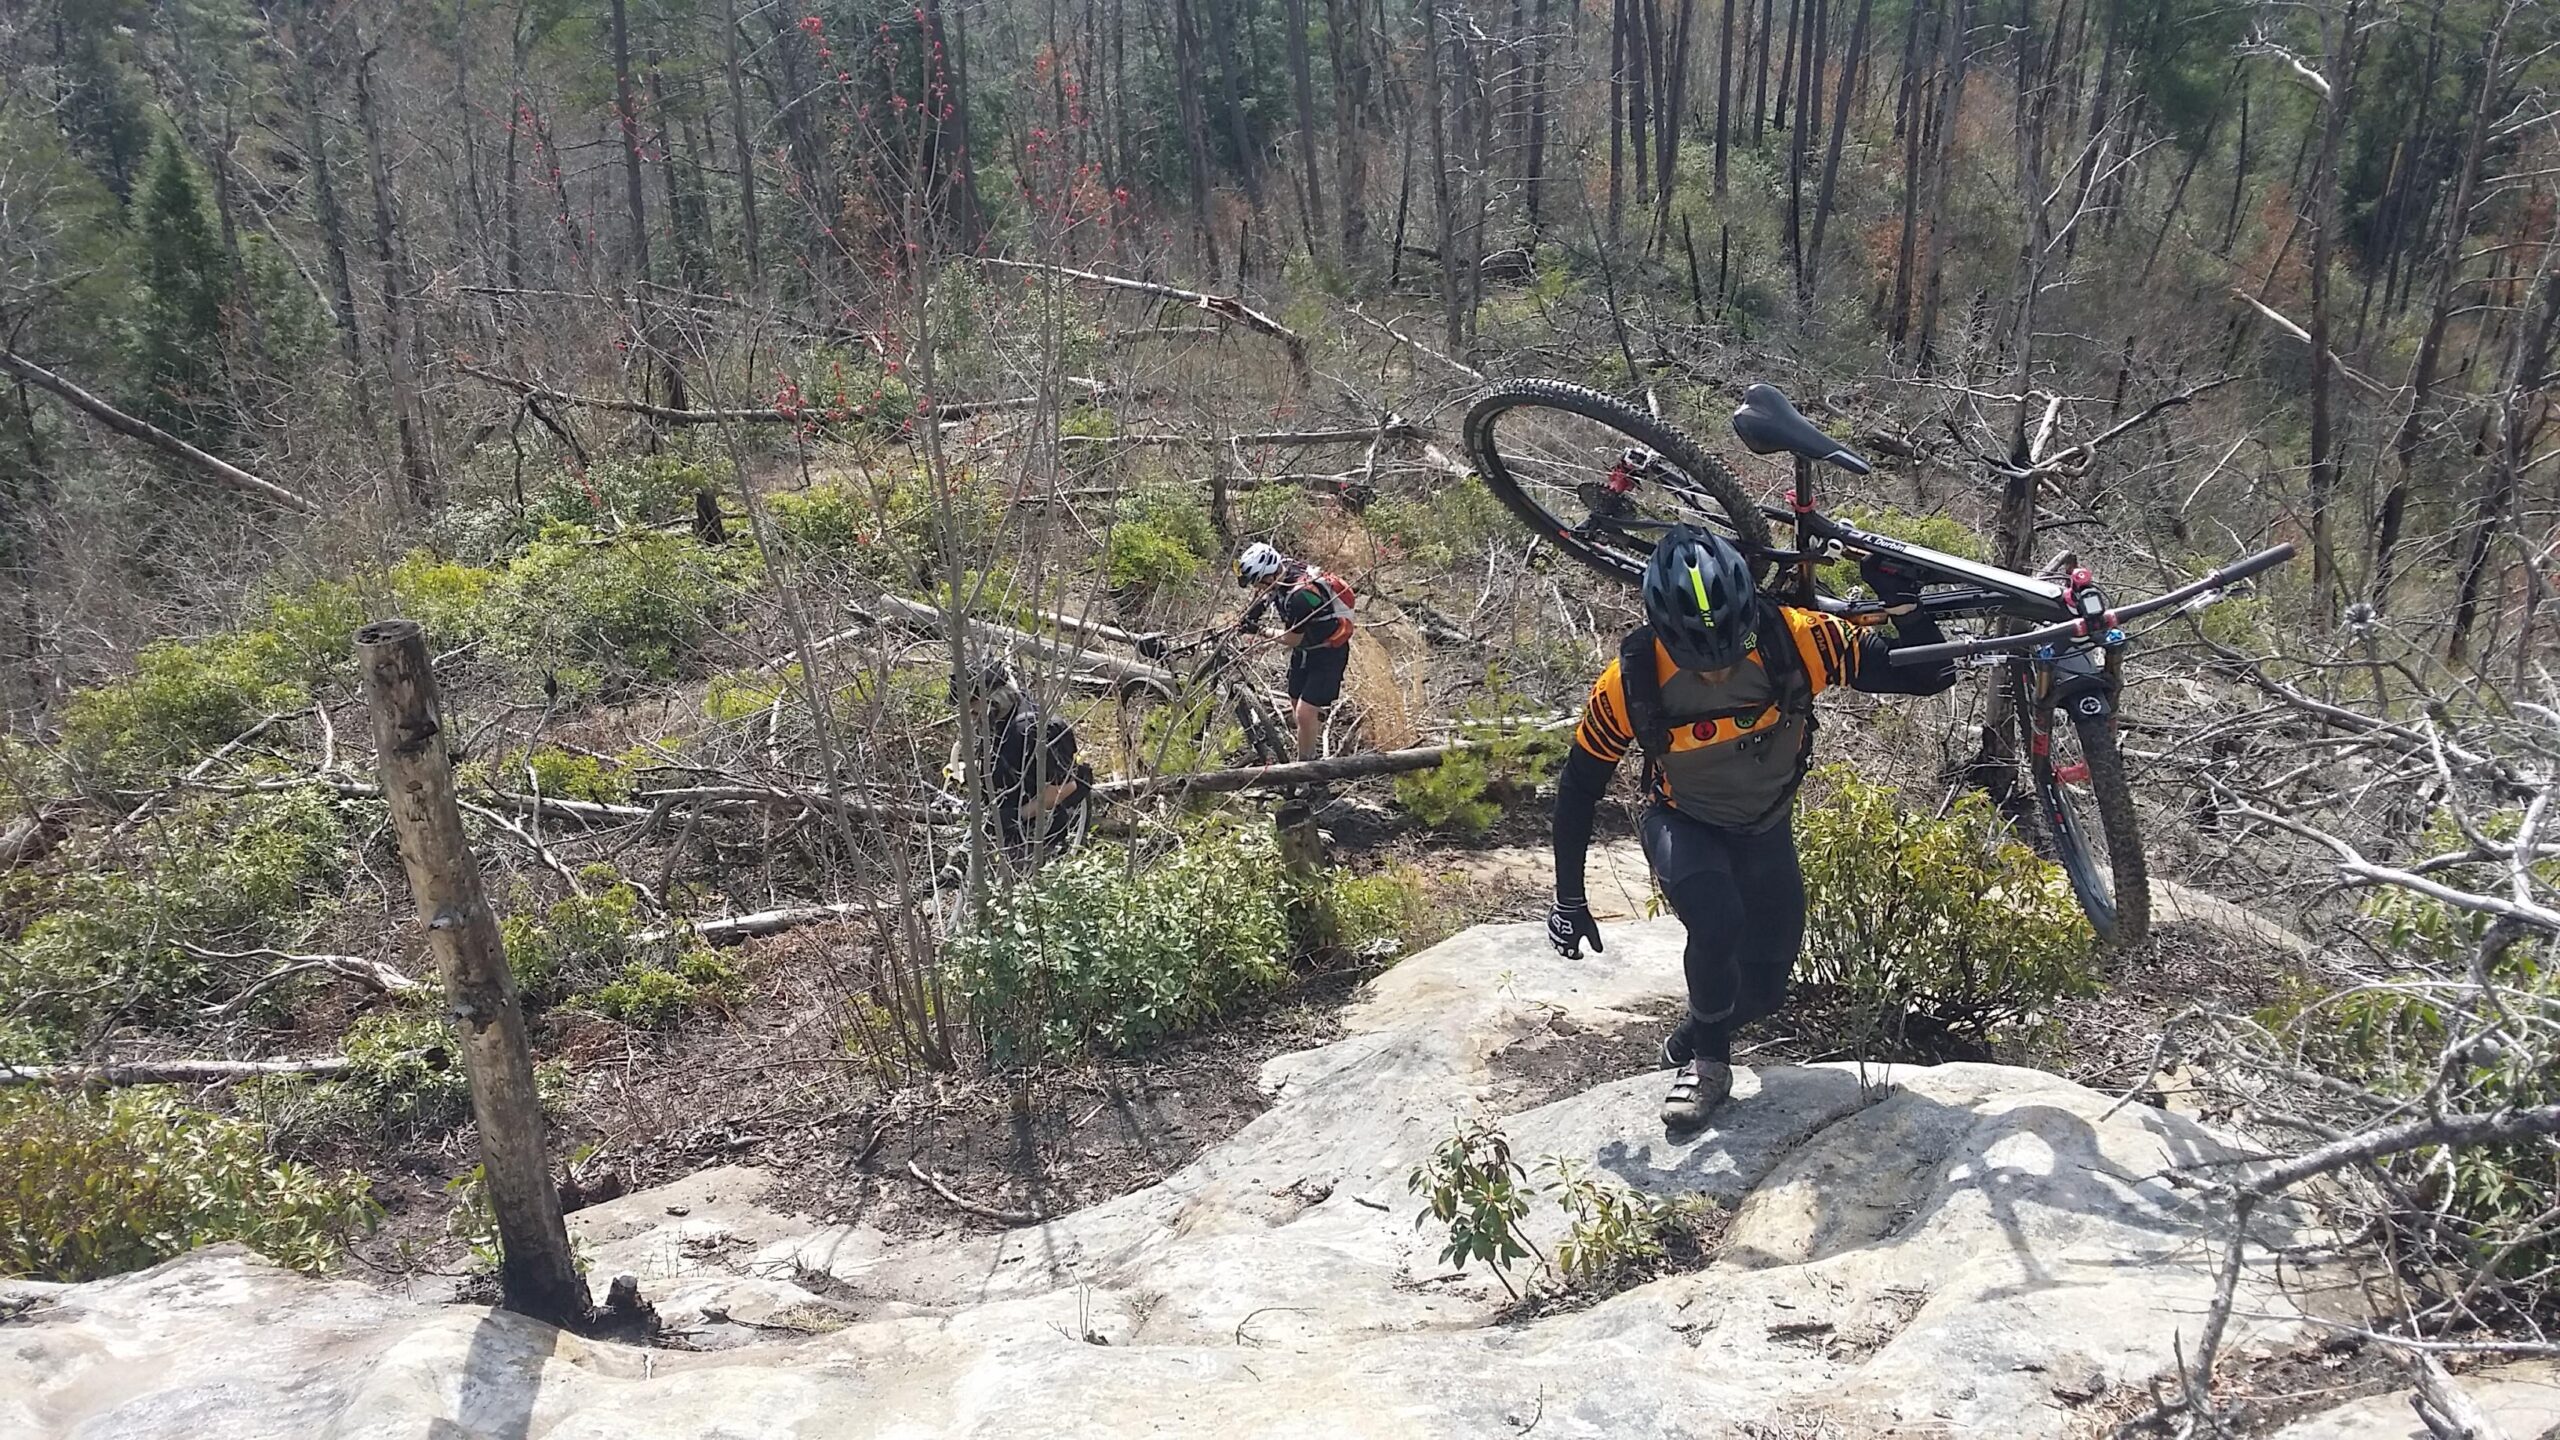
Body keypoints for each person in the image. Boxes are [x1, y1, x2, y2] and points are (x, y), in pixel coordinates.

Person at [1545, 525, 1958, 1131]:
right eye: (1695, 659)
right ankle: (1709, 1066)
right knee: (1717, 920)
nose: (1714, 674)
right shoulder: (1629, 680)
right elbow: (1579, 787)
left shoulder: (1795, 638)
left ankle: (1692, 1033)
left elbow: (1928, 675)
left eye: (1729, 653)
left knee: (1764, 992)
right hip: (1683, 822)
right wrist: (1569, 897)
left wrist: (1906, 606)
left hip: (1766, 828)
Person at [955, 657, 1092, 858]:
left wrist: (1016, 816)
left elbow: (1064, 788)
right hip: (1004, 800)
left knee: (1012, 874)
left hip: (1037, 816)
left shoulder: (1033, 730)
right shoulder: (997, 720)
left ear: (995, 700)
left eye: (975, 712)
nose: (972, 720)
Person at [1235, 541, 1356, 761]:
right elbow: (1267, 597)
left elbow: (1291, 638)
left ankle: (1306, 769)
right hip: (1305, 651)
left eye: (1258, 583)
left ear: (1269, 577)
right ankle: (1308, 739)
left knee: (1304, 712)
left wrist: (1260, 630)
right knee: (1295, 702)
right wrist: (1250, 615)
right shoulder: (1285, 568)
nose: (1257, 588)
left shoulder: (1300, 597)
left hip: (1328, 654)